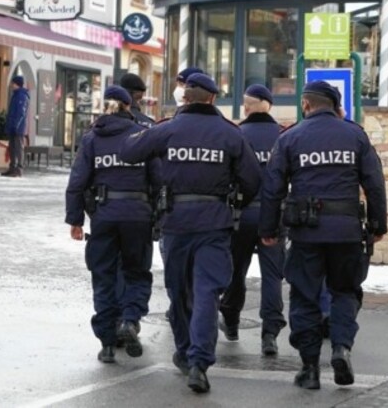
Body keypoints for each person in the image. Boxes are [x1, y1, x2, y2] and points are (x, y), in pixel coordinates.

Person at [120, 73, 262, 394]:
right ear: (212, 99)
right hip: (214, 224)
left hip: (176, 223)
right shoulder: (231, 134)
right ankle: (199, 362)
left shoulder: (168, 129)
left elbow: (129, 153)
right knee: (207, 293)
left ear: (185, 98)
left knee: (179, 294)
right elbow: (253, 180)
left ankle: (185, 352)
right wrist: (234, 202)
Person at [259, 80, 388, 390]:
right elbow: (374, 182)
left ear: (306, 105)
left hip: (306, 233)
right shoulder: (355, 135)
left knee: (304, 296)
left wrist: (267, 229)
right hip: (346, 231)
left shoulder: (290, 138)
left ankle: (310, 367)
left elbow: (273, 187)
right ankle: (342, 348)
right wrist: (377, 225)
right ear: (334, 105)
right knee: (344, 291)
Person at [65, 85, 161, 364]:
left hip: (104, 215)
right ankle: (130, 319)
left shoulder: (92, 138)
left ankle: (107, 343)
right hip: (138, 215)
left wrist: (75, 220)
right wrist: (158, 216)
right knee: (136, 272)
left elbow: (77, 182)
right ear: (128, 107)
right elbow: (158, 179)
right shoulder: (142, 136)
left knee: (104, 276)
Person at [218, 84, 287, 356]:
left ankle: (232, 321)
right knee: (272, 276)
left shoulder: (238, 134)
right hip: (273, 215)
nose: (244, 107)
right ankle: (269, 333)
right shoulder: (283, 136)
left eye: (247, 103)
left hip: (241, 214)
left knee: (236, 271)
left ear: (253, 105)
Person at [3, 75, 29, 177]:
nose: (11, 85)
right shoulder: (15, 95)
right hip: (13, 125)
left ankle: (19, 169)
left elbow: (21, 113)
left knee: (18, 148)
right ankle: (12, 167)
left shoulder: (22, 96)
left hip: (18, 127)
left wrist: (16, 125)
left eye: (13, 83)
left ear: (17, 84)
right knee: (12, 147)